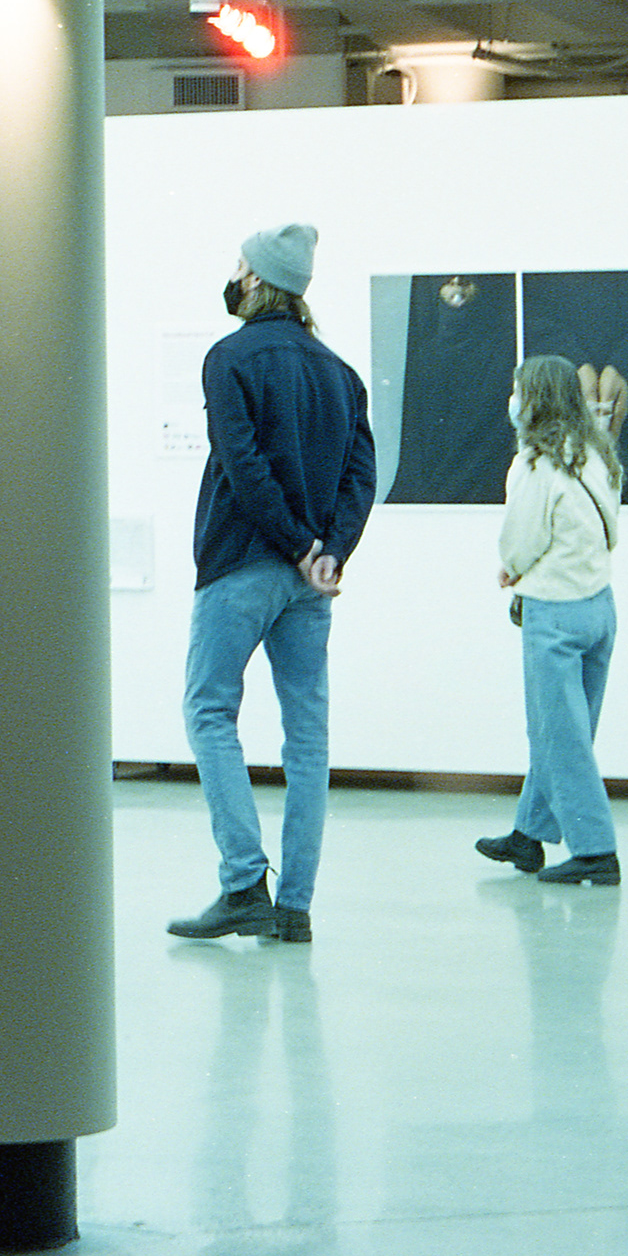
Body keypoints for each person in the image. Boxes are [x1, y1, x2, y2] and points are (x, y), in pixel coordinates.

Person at [167, 222, 377, 946]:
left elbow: (242, 464)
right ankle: (295, 907)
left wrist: (296, 544)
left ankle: (241, 884)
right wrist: (329, 555)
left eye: (240, 267)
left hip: (241, 564)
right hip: (309, 584)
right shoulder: (341, 374)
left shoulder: (228, 358)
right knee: (308, 740)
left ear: (257, 280)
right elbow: (360, 478)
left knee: (209, 709)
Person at [478, 354, 625, 887]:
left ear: (534, 399)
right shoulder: (596, 454)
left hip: (555, 616)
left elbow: (521, 538)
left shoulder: (535, 465)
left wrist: (511, 568)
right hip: (599, 608)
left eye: (519, 390)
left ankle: (595, 849)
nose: (512, 401)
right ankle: (529, 834)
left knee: (559, 735)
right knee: (567, 729)